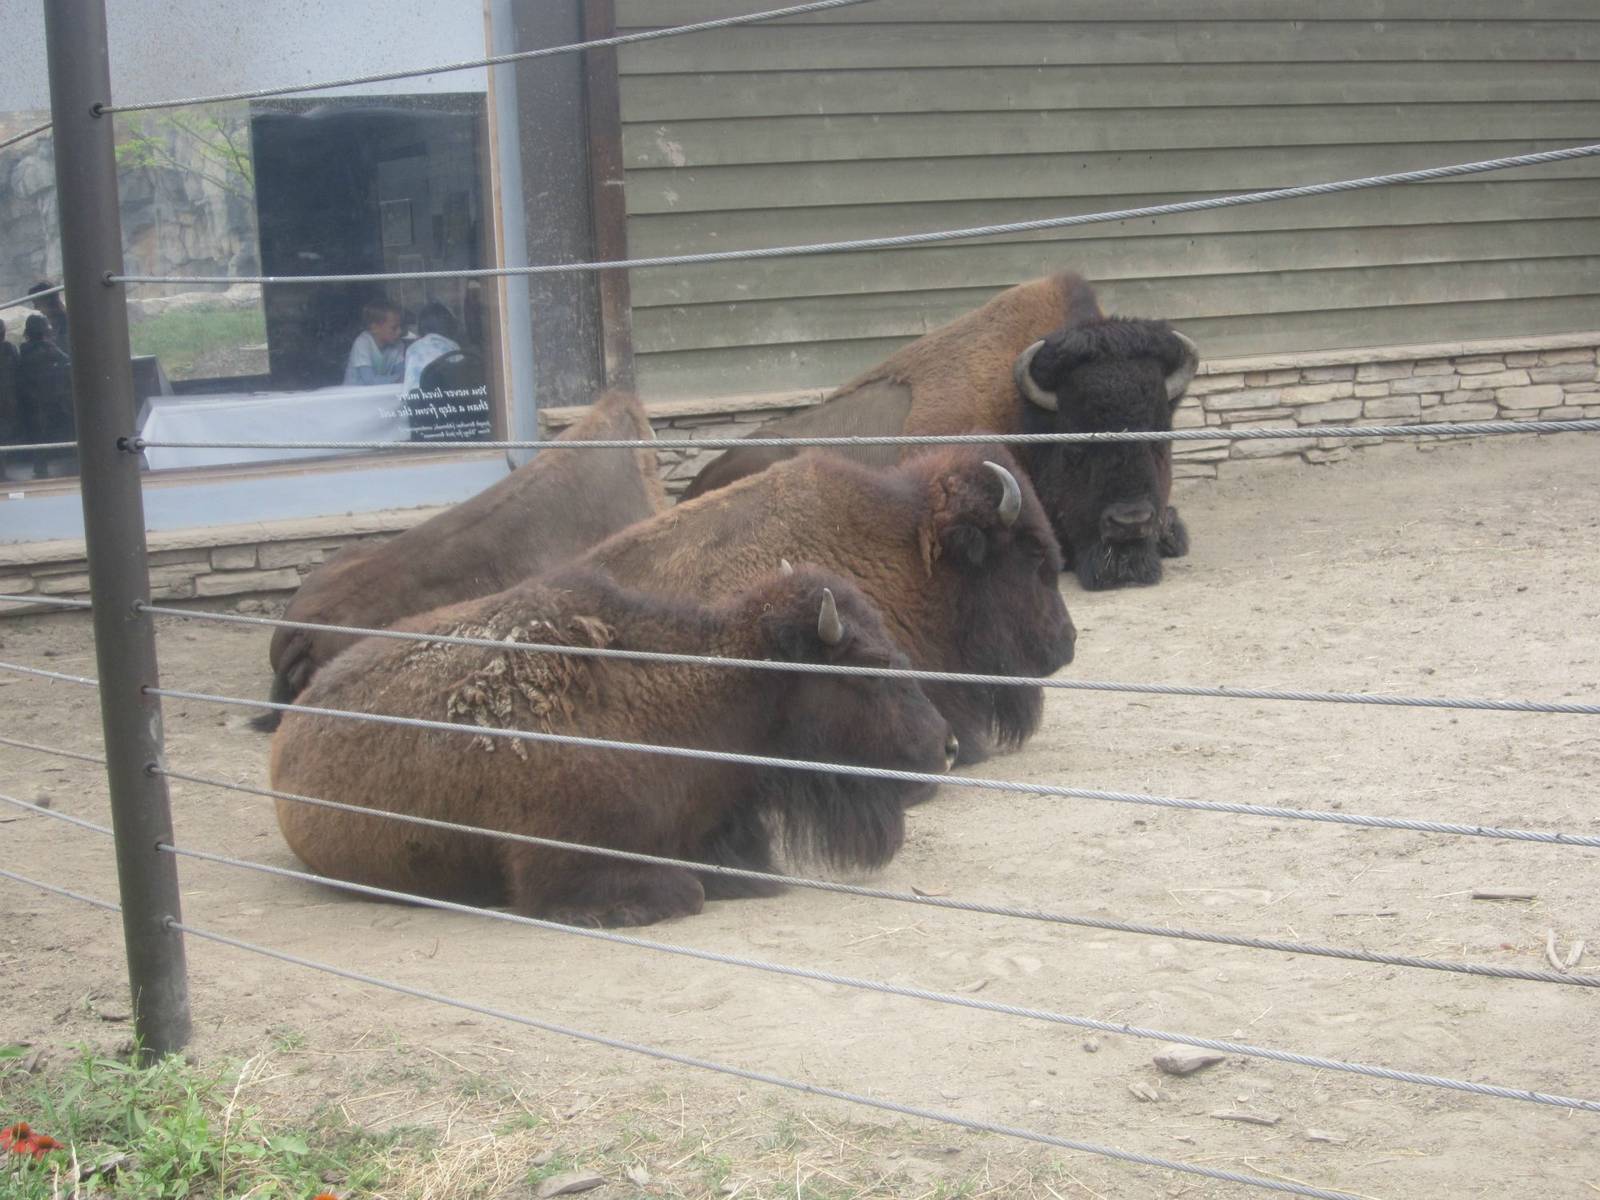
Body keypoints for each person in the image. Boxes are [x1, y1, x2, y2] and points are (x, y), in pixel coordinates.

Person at [16, 315, 75, 478]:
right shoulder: (48, 347)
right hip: (48, 395)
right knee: (51, 429)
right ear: (44, 330)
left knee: (38, 433)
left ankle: (40, 464)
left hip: (32, 396)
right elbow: (66, 360)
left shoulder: (23, 348)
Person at [401, 301, 461, 394]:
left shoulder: (412, 348)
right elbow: (462, 379)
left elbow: (408, 384)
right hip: (447, 400)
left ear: (421, 326)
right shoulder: (453, 346)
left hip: (418, 402)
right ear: (449, 325)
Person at [342, 299, 404, 386]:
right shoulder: (362, 343)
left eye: (400, 326)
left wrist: (400, 378)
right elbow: (370, 381)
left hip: (379, 394)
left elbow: (404, 375)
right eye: (394, 328)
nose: (399, 331)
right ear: (375, 328)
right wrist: (398, 379)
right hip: (352, 396)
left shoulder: (398, 345)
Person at [27, 281, 68, 348]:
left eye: (37, 303)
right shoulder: (52, 323)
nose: (35, 308)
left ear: (48, 302)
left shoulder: (67, 322)